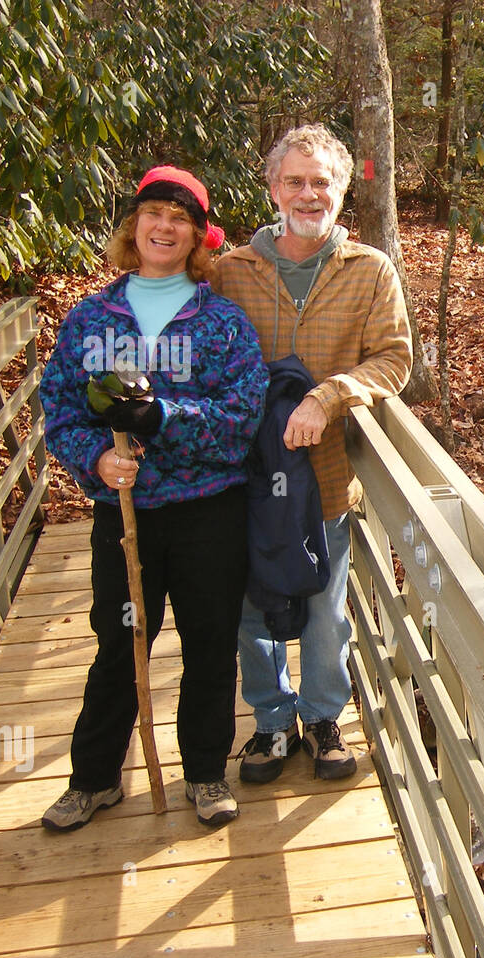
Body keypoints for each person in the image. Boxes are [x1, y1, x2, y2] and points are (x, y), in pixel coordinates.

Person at [39, 166, 268, 830]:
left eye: (179, 220)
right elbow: (59, 408)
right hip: (124, 515)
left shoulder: (221, 320)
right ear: (133, 228)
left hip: (208, 510)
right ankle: (94, 779)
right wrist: (99, 457)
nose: (164, 228)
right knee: (120, 641)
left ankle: (203, 773)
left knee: (208, 640)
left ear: (197, 238)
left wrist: (162, 415)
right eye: (152, 216)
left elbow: (241, 416)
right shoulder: (92, 318)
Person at [211, 124, 411, 782]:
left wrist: (329, 396)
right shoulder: (231, 272)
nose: (307, 193)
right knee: (250, 602)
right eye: (294, 181)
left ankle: (324, 716)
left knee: (325, 603)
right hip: (245, 477)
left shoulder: (370, 270)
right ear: (272, 188)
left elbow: (394, 358)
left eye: (321, 181)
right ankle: (271, 722)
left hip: (324, 475)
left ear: (342, 188)